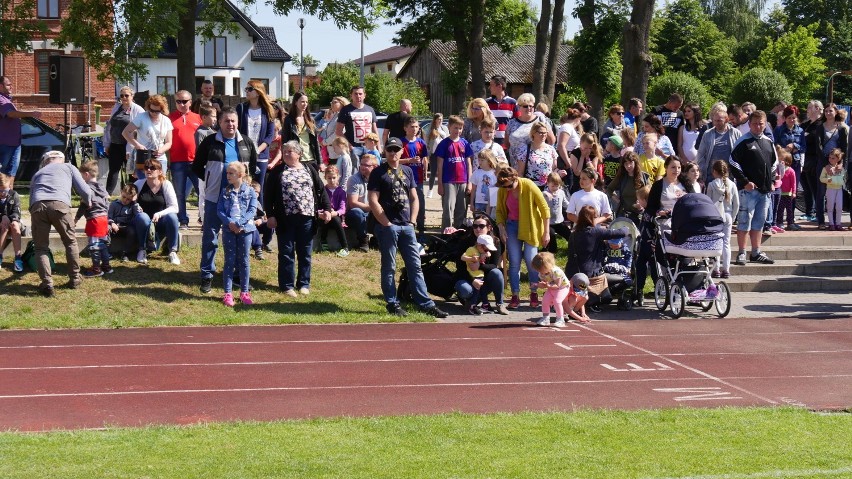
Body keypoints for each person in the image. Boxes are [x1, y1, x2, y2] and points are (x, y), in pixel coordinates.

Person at [367, 137, 448, 318]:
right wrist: (386, 223)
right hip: (388, 227)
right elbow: (372, 199)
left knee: (415, 265)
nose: (393, 153)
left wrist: (412, 221)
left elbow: (414, 197)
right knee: (389, 266)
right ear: (385, 152)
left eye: (396, 149)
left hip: (406, 226)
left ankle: (425, 303)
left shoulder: (408, 171)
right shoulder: (378, 173)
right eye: (390, 150)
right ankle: (392, 302)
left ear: (402, 151)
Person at [193, 107, 259, 293]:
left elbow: (251, 169)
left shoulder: (246, 142)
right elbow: (197, 167)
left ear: (237, 122)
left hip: (239, 202)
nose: (230, 124)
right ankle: (207, 276)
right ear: (219, 123)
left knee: (239, 240)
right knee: (210, 239)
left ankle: (237, 277)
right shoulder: (209, 142)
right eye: (226, 121)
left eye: (233, 121)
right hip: (215, 199)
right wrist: (210, 180)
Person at [264, 141, 331, 296]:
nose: (286, 154)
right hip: (285, 218)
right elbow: (268, 196)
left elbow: (321, 190)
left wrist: (327, 209)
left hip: (307, 217)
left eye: (290, 151)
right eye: (285, 151)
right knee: (286, 252)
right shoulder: (277, 171)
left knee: (305, 252)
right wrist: (271, 215)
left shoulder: (309, 169)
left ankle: (303, 284)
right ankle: (287, 286)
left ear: (299, 154)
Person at [28, 150, 93, 297]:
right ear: (62, 159)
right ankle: (75, 278)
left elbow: (31, 197)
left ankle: (47, 285)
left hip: (37, 206)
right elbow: (85, 190)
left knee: (41, 248)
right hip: (60, 205)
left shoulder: (38, 174)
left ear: (45, 162)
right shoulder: (69, 167)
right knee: (70, 242)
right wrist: (88, 201)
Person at [495, 166, 550, 309]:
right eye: (504, 187)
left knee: (532, 261)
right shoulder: (503, 189)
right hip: (512, 226)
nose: (507, 189)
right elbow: (500, 211)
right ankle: (515, 294)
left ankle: (533, 292)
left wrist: (546, 232)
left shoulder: (528, 185)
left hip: (530, 226)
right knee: (514, 262)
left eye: (509, 186)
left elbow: (545, 209)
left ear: (515, 179)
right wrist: (501, 228)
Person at [728, 110, 777, 265]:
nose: (757, 126)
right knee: (744, 222)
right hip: (748, 191)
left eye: (761, 123)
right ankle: (741, 252)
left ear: (765, 124)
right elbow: (732, 162)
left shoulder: (768, 142)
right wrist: (744, 182)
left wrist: (771, 180)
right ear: (749, 124)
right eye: (755, 123)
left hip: (764, 191)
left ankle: (756, 252)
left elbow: (774, 163)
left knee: (759, 222)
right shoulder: (743, 142)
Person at [565, 204, 628, 311]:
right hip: (590, 275)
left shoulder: (573, 234)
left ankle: (579, 299)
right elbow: (621, 233)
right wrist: (627, 227)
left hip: (572, 274)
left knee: (582, 289)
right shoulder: (596, 232)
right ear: (593, 218)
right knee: (616, 288)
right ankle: (589, 299)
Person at [217, 161, 257, 306]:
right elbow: (220, 210)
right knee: (229, 260)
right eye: (227, 173)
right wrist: (230, 223)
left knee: (244, 260)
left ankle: (244, 292)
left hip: (245, 229)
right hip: (229, 229)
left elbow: (252, 210)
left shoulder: (250, 191)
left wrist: (240, 223)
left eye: (231, 173)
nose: (227, 175)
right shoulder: (225, 191)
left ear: (240, 175)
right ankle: (228, 293)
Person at [453, 214, 509, 314]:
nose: (478, 229)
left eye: (481, 226)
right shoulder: (466, 242)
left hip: (483, 278)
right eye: (475, 226)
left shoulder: (495, 242)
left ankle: (499, 304)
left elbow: (493, 265)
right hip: (466, 277)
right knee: (465, 290)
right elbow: (460, 266)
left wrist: (479, 265)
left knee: (497, 273)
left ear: (489, 228)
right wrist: (473, 280)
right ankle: (470, 300)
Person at [132, 159, 181, 265]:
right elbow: (129, 200)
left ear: (160, 171)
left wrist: (159, 213)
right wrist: (136, 206)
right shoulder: (139, 184)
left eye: (152, 168)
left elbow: (175, 207)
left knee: (172, 217)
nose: (148, 170)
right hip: (143, 222)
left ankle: (172, 251)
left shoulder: (166, 184)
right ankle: (142, 249)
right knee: (143, 217)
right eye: (146, 167)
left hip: (160, 221)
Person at [237, 81, 276, 202]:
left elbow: (270, 135)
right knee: (243, 183)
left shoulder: (268, 110)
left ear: (258, 92)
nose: (246, 91)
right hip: (244, 154)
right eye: (246, 88)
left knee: (259, 186)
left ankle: (259, 214)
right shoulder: (241, 108)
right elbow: (237, 130)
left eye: (250, 89)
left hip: (261, 155)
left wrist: (257, 150)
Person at [169, 90, 203, 229]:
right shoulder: (169, 118)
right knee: (179, 193)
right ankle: (183, 220)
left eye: (185, 101)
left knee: (202, 192)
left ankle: (204, 218)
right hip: (177, 161)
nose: (182, 104)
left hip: (196, 161)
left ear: (190, 102)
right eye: (179, 101)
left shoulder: (198, 118)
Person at [0, 75, 43, 185]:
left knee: (11, 173)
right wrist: (31, 114)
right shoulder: (1, 99)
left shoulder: (7, 100)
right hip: (4, 144)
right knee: (2, 173)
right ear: (1, 86)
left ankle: (9, 198)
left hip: (15, 143)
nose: (11, 86)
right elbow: (10, 114)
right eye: (8, 84)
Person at [103, 86, 145, 195]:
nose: (124, 98)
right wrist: (107, 144)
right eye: (122, 95)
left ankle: (133, 194)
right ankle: (107, 195)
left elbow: (140, 130)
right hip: (115, 144)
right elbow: (109, 127)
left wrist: (132, 147)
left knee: (131, 171)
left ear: (132, 96)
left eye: (126, 95)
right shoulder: (116, 108)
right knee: (113, 171)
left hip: (130, 146)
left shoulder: (138, 110)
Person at [813, 103, 849, 230]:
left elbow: (844, 148)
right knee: (821, 192)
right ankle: (821, 221)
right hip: (823, 164)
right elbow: (818, 147)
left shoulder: (841, 128)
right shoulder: (820, 127)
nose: (828, 113)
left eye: (831, 111)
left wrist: (840, 165)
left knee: (835, 194)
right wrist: (826, 165)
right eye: (826, 111)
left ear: (836, 112)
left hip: (837, 164)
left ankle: (834, 222)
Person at [435, 115, 474, 229]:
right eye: (455, 128)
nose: (458, 131)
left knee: (461, 211)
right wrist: (440, 184)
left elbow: (469, 164)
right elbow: (439, 165)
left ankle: (459, 235)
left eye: (460, 128)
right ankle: (446, 235)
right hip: (448, 181)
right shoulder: (444, 144)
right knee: (448, 210)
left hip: (463, 181)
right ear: (449, 127)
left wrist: (469, 182)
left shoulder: (465, 143)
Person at [122, 95, 173, 180]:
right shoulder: (141, 117)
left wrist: (161, 150)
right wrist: (138, 145)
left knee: (160, 185)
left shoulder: (166, 120)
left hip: (160, 159)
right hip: (144, 158)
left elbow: (169, 142)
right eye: (151, 110)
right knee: (143, 185)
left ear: (162, 109)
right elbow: (125, 132)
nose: (153, 113)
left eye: (157, 111)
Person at [75, 161, 112, 277]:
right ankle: (106, 266)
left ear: (86, 175)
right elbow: (107, 204)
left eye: (81, 176)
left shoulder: (86, 189)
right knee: (103, 244)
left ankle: (96, 269)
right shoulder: (102, 188)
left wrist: (75, 219)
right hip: (104, 219)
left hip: (94, 220)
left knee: (94, 246)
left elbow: (83, 206)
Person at [706, 160, 739, 278]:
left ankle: (716, 269)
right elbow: (737, 204)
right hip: (728, 215)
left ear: (714, 171)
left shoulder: (711, 185)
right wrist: (734, 217)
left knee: (716, 242)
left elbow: (708, 203)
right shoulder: (732, 184)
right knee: (726, 243)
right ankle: (726, 269)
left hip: (715, 216)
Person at [696, 102, 742, 187]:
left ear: (726, 120)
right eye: (715, 121)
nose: (716, 123)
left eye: (719, 121)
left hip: (730, 177)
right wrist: (701, 174)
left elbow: (742, 155)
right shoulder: (707, 134)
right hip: (711, 176)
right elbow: (701, 155)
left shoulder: (736, 133)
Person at [773, 105, 805, 221]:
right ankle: (778, 217)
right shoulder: (779, 129)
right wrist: (780, 148)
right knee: (780, 188)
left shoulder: (800, 130)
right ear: (785, 118)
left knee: (793, 190)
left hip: (795, 162)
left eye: (794, 118)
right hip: (782, 163)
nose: (792, 120)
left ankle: (791, 219)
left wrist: (795, 146)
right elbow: (774, 143)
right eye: (789, 118)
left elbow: (803, 147)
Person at [506, 94, 555, 168]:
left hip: (535, 165)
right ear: (519, 107)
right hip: (515, 165)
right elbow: (507, 143)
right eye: (525, 106)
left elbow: (551, 140)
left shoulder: (541, 120)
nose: (529, 108)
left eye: (531, 106)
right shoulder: (511, 123)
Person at [400, 117, 429, 236]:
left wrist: (425, 172)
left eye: (417, 126)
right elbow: (395, 160)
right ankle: (406, 226)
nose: (414, 129)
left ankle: (421, 229)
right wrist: (409, 160)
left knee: (420, 203)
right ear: (405, 128)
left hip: (418, 178)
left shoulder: (421, 142)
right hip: (403, 178)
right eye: (412, 126)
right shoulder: (401, 142)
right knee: (404, 203)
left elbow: (425, 159)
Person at [606, 151, 651, 225]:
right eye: (626, 164)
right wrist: (617, 199)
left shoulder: (644, 177)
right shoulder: (621, 177)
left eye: (630, 163)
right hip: (623, 213)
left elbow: (651, 194)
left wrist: (642, 205)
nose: (628, 166)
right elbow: (609, 189)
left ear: (635, 162)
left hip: (639, 214)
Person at [346, 153, 378, 253]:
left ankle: (376, 239)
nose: (363, 167)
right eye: (362, 164)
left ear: (375, 167)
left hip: (372, 213)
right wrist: (372, 207)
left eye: (366, 165)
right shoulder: (354, 179)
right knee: (356, 212)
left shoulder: (379, 179)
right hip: (356, 214)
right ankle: (363, 241)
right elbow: (353, 203)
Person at [336, 85, 378, 160]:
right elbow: (338, 131)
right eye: (355, 94)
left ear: (364, 95)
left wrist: (377, 147)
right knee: (355, 171)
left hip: (370, 148)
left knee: (371, 170)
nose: (358, 96)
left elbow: (375, 130)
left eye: (360, 94)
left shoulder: (370, 109)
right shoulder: (345, 110)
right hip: (354, 148)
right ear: (351, 95)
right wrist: (349, 146)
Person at [460, 233, 497, 315]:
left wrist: (486, 254)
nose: (488, 251)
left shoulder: (482, 251)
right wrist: (471, 258)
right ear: (480, 245)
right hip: (474, 275)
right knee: (476, 291)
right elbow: (462, 257)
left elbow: (489, 255)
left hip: (480, 274)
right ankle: (472, 306)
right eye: (486, 249)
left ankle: (485, 304)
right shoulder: (471, 250)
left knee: (483, 290)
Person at [532, 252, 571, 327]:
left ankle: (560, 319)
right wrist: (538, 285)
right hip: (551, 288)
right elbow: (544, 284)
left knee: (557, 301)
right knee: (545, 301)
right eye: (538, 270)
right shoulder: (541, 273)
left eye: (540, 269)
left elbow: (557, 286)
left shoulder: (556, 272)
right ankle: (546, 318)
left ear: (547, 266)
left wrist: (548, 285)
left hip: (562, 288)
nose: (539, 272)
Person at [800, 100, 824, 222]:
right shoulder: (806, 124)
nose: (807, 110)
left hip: (814, 160)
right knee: (806, 188)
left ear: (818, 109)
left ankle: (817, 213)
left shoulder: (821, 125)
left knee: (815, 188)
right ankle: (809, 211)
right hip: (803, 160)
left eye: (810, 107)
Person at [319, 165, 350, 256]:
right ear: (325, 177)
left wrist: (335, 213)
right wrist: (323, 212)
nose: (331, 180)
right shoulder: (322, 191)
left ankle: (345, 247)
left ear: (338, 177)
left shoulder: (341, 192)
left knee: (336, 219)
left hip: (336, 217)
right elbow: (318, 205)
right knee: (326, 218)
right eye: (329, 178)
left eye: (334, 178)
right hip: (324, 216)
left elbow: (343, 208)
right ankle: (323, 242)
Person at [107, 183, 142, 263]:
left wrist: (135, 202)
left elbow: (138, 214)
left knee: (132, 231)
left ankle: (124, 252)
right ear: (121, 192)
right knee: (106, 229)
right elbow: (108, 217)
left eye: (128, 199)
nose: (125, 200)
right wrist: (112, 223)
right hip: (114, 226)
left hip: (126, 227)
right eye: (124, 197)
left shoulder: (133, 205)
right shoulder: (113, 204)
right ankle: (106, 250)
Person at [517, 122, 558, 189]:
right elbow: (520, 172)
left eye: (545, 133)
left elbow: (554, 168)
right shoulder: (524, 150)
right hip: (531, 187)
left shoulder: (551, 149)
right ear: (533, 133)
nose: (543, 135)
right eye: (540, 132)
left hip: (548, 187)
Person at [485, 74, 518, 149]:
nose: (489, 87)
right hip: (489, 144)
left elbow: (517, 124)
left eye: (491, 85)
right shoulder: (486, 103)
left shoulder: (513, 102)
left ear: (499, 86)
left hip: (507, 145)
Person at [0, 173, 24, 272]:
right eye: (0, 190)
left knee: (15, 225)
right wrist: (2, 216)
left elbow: (16, 212)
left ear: (9, 187)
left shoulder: (14, 194)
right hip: (2, 224)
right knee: (4, 226)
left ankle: (18, 257)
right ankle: (0, 256)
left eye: (5, 190)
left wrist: (9, 218)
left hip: (13, 221)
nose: (3, 193)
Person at [422, 113, 449, 198]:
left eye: (441, 119)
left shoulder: (444, 128)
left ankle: (444, 190)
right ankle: (430, 190)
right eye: (438, 119)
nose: (440, 121)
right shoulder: (430, 128)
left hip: (444, 153)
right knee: (433, 172)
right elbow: (426, 141)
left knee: (444, 172)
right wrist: (427, 152)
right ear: (435, 120)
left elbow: (448, 138)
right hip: (434, 153)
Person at [543, 172, 570, 254]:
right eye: (552, 186)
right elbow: (539, 195)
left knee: (569, 235)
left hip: (559, 221)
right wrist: (545, 194)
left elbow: (566, 203)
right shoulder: (545, 194)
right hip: (549, 223)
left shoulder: (561, 192)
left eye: (557, 186)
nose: (555, 188)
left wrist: (572, 209)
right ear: (547, 183)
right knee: (551, 237)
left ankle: (573, 248)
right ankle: (551, 250)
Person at [318, 96, 349, 166]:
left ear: (342, 103)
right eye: (331, 102)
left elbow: (338, 133)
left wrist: (325, 142)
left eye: (334, 102)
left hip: (338, 151)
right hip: (331, 150)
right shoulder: (336, 115)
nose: (332, 104)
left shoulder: (342, 115)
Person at [820, 148, 846, 231]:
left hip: (839, 189)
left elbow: (844, 177)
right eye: (829, 157)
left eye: (833, 158)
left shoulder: (841, 168)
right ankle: (831, 224)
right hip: (830, 188)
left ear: (838, 159)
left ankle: (838, 224)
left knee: (839, 207)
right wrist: (827, 180)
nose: (830, 159)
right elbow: (821, 178)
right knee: (830, 207)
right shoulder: (826, 168)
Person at [470, 149, 499, 217]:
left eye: (482, 160)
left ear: (489, 160)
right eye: (479, 160)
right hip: (479, 202)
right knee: (479, 221)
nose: (480, 162)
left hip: (492, 203)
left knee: (490, 222)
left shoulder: (495, 173)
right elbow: (473, 189)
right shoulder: (476, 172)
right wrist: (471, 203)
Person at [249, 180, 273, 259]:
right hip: (250, 223)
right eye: (255, 191)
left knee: (269, 225)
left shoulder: (257, 202)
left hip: (258, 222)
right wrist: (253, 221)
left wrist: (262, 220)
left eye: (258, 193)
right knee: (253, 228)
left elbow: (263, 216)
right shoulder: (245, 201)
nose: (257, 194)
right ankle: (257, 249)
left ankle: (265, 243)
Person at [775, 150, 799, 231]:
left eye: (783, 160)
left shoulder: (791, 171)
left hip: (788, 193)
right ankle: (779, 222)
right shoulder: (778, 170)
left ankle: (790, 223)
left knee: (789, 210)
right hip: (780, 193)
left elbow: (794, 183)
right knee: (780, 209)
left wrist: (794, 192)